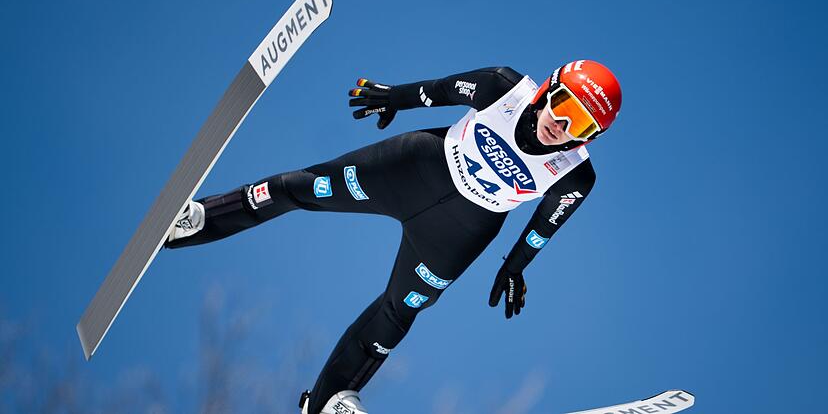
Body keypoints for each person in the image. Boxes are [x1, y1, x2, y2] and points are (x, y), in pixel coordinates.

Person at [165, 60, 622, 414]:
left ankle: (328, 400)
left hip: (459, 232)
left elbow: (545, 225)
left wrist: (515, 265)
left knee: (401, 310)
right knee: (296, 188)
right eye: (563, 108)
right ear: (549, 90)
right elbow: (441, 90)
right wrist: (393, 99)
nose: (561, 127)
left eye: (580, 127)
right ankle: (202, 218)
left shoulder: (575, 175)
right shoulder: (504, 87)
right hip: (411, 169)